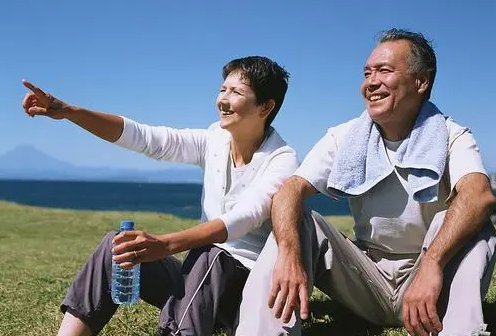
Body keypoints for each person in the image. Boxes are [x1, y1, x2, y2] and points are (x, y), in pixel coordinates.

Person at [235, 29, 496, 336]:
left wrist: (432, 263)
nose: (370, 83)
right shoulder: (347, 136)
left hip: (433, 284)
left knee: (478, 226)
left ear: (421, 82)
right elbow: (290, 191)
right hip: (366, 278)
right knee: (299, 222)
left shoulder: (453, 136)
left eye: (384, 71)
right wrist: (290, 254)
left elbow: (480, 196)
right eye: (367, 73)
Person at [21, 56, 299, 336]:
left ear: (265, 106)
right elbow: (146, 138)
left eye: (236, 92)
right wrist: (70, 111)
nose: (222, 100)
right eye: (222, 89)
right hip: (200, 286)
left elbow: (243, 218)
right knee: (118, 245)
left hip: (247, 297)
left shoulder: (282, 159)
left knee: (211, 252)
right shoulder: (215, 139)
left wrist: (165, 244)